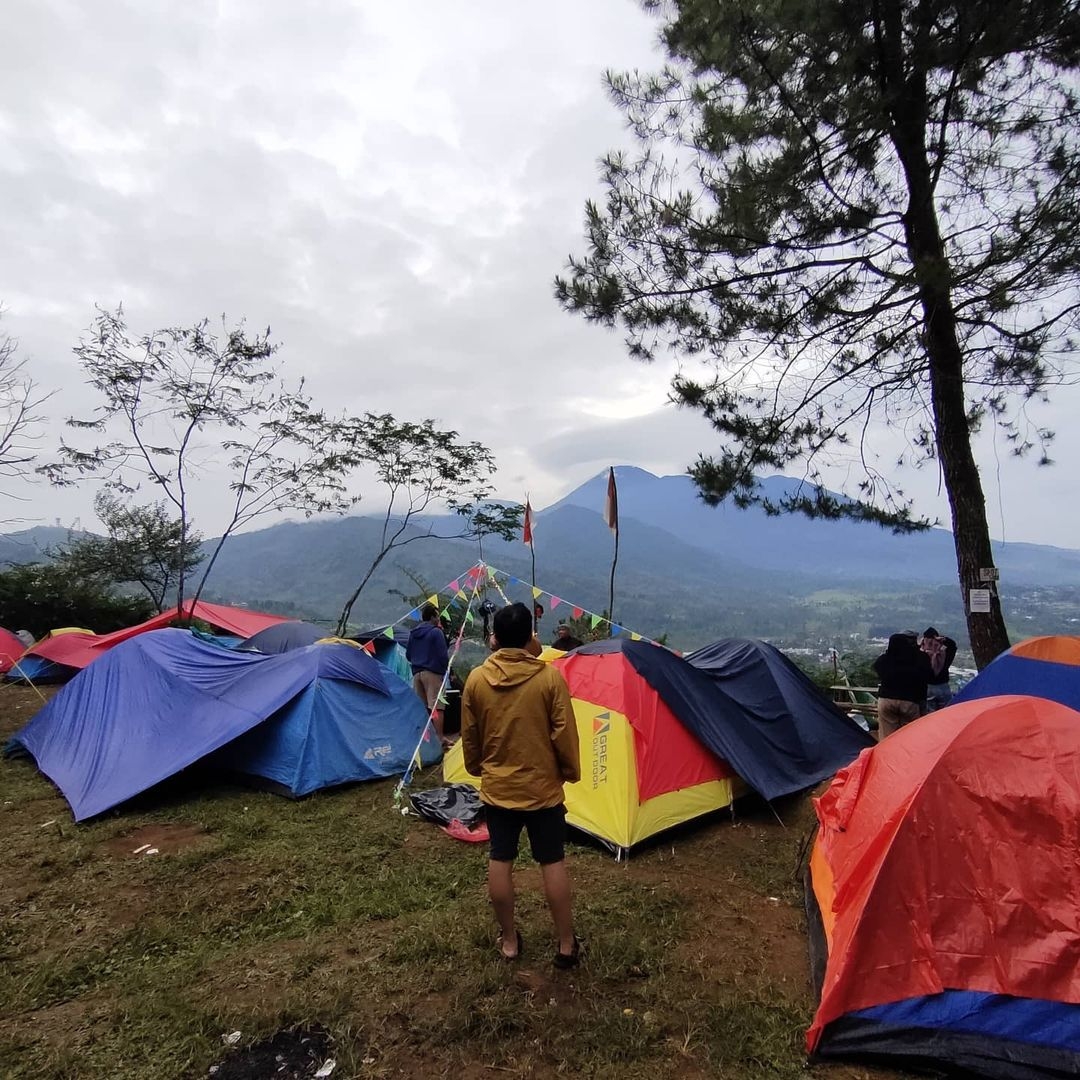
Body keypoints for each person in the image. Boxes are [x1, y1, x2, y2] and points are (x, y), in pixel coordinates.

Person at [462, 602, 582, 967]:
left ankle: (510, 941)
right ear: (532, 636)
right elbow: (564, 734)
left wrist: (477, 768)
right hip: (543, 791)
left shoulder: (477, 680)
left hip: (499, 790)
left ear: (494, 638)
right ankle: (565, 945)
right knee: (552, 861)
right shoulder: (549, 679)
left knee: (501, 858)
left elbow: (470, 736)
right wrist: (569, 771)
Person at [872, 631, 933, 741]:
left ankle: (886, 755)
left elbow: (877, 668)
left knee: (886, 736)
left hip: (886, 699)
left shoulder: (885, 659)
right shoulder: (918, 658)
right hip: (909, 701)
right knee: (910, 736)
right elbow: (927, 677)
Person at [406, 603, 450, 747]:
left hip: (417, 673)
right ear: (432, 617)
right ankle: (440, 739)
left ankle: (425, 742)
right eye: (437, 615)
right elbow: (443, 655)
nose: (438, 618)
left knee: (423, 708)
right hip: (432, 673)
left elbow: (408, 655)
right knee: (437, 707)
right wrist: (445, 671)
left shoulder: (413, 633)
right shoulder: (436, 632)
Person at [921, 627, 958, 711]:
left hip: (928, 687)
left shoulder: (921, 654)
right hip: (943, 686)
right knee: (946, 713)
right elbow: (952, 645)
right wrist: (943, 639)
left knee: (930, 716)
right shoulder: (944, 654)